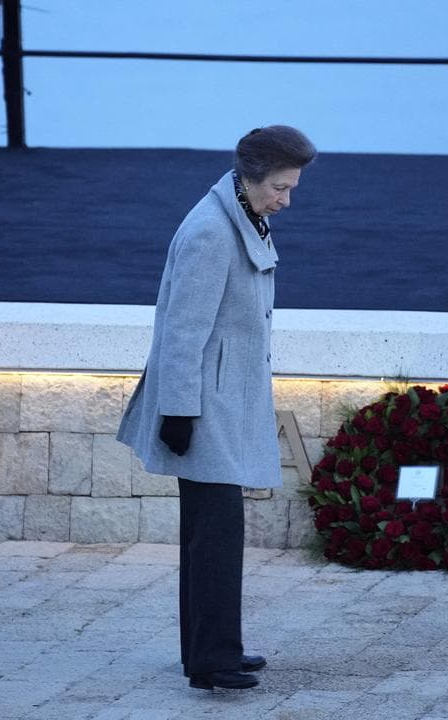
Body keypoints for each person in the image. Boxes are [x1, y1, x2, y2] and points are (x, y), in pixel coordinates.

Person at [117, 125, 316, 690]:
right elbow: (182, 332)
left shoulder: (242, 215)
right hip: (205, 409)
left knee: (212, 534)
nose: (286, 198)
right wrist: (179, 413)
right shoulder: (211, 231)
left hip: (221, 401)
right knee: (215, 537)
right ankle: (212, 660)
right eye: (280, 187)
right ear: (251, 178)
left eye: (291, 188)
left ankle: (210, 650)